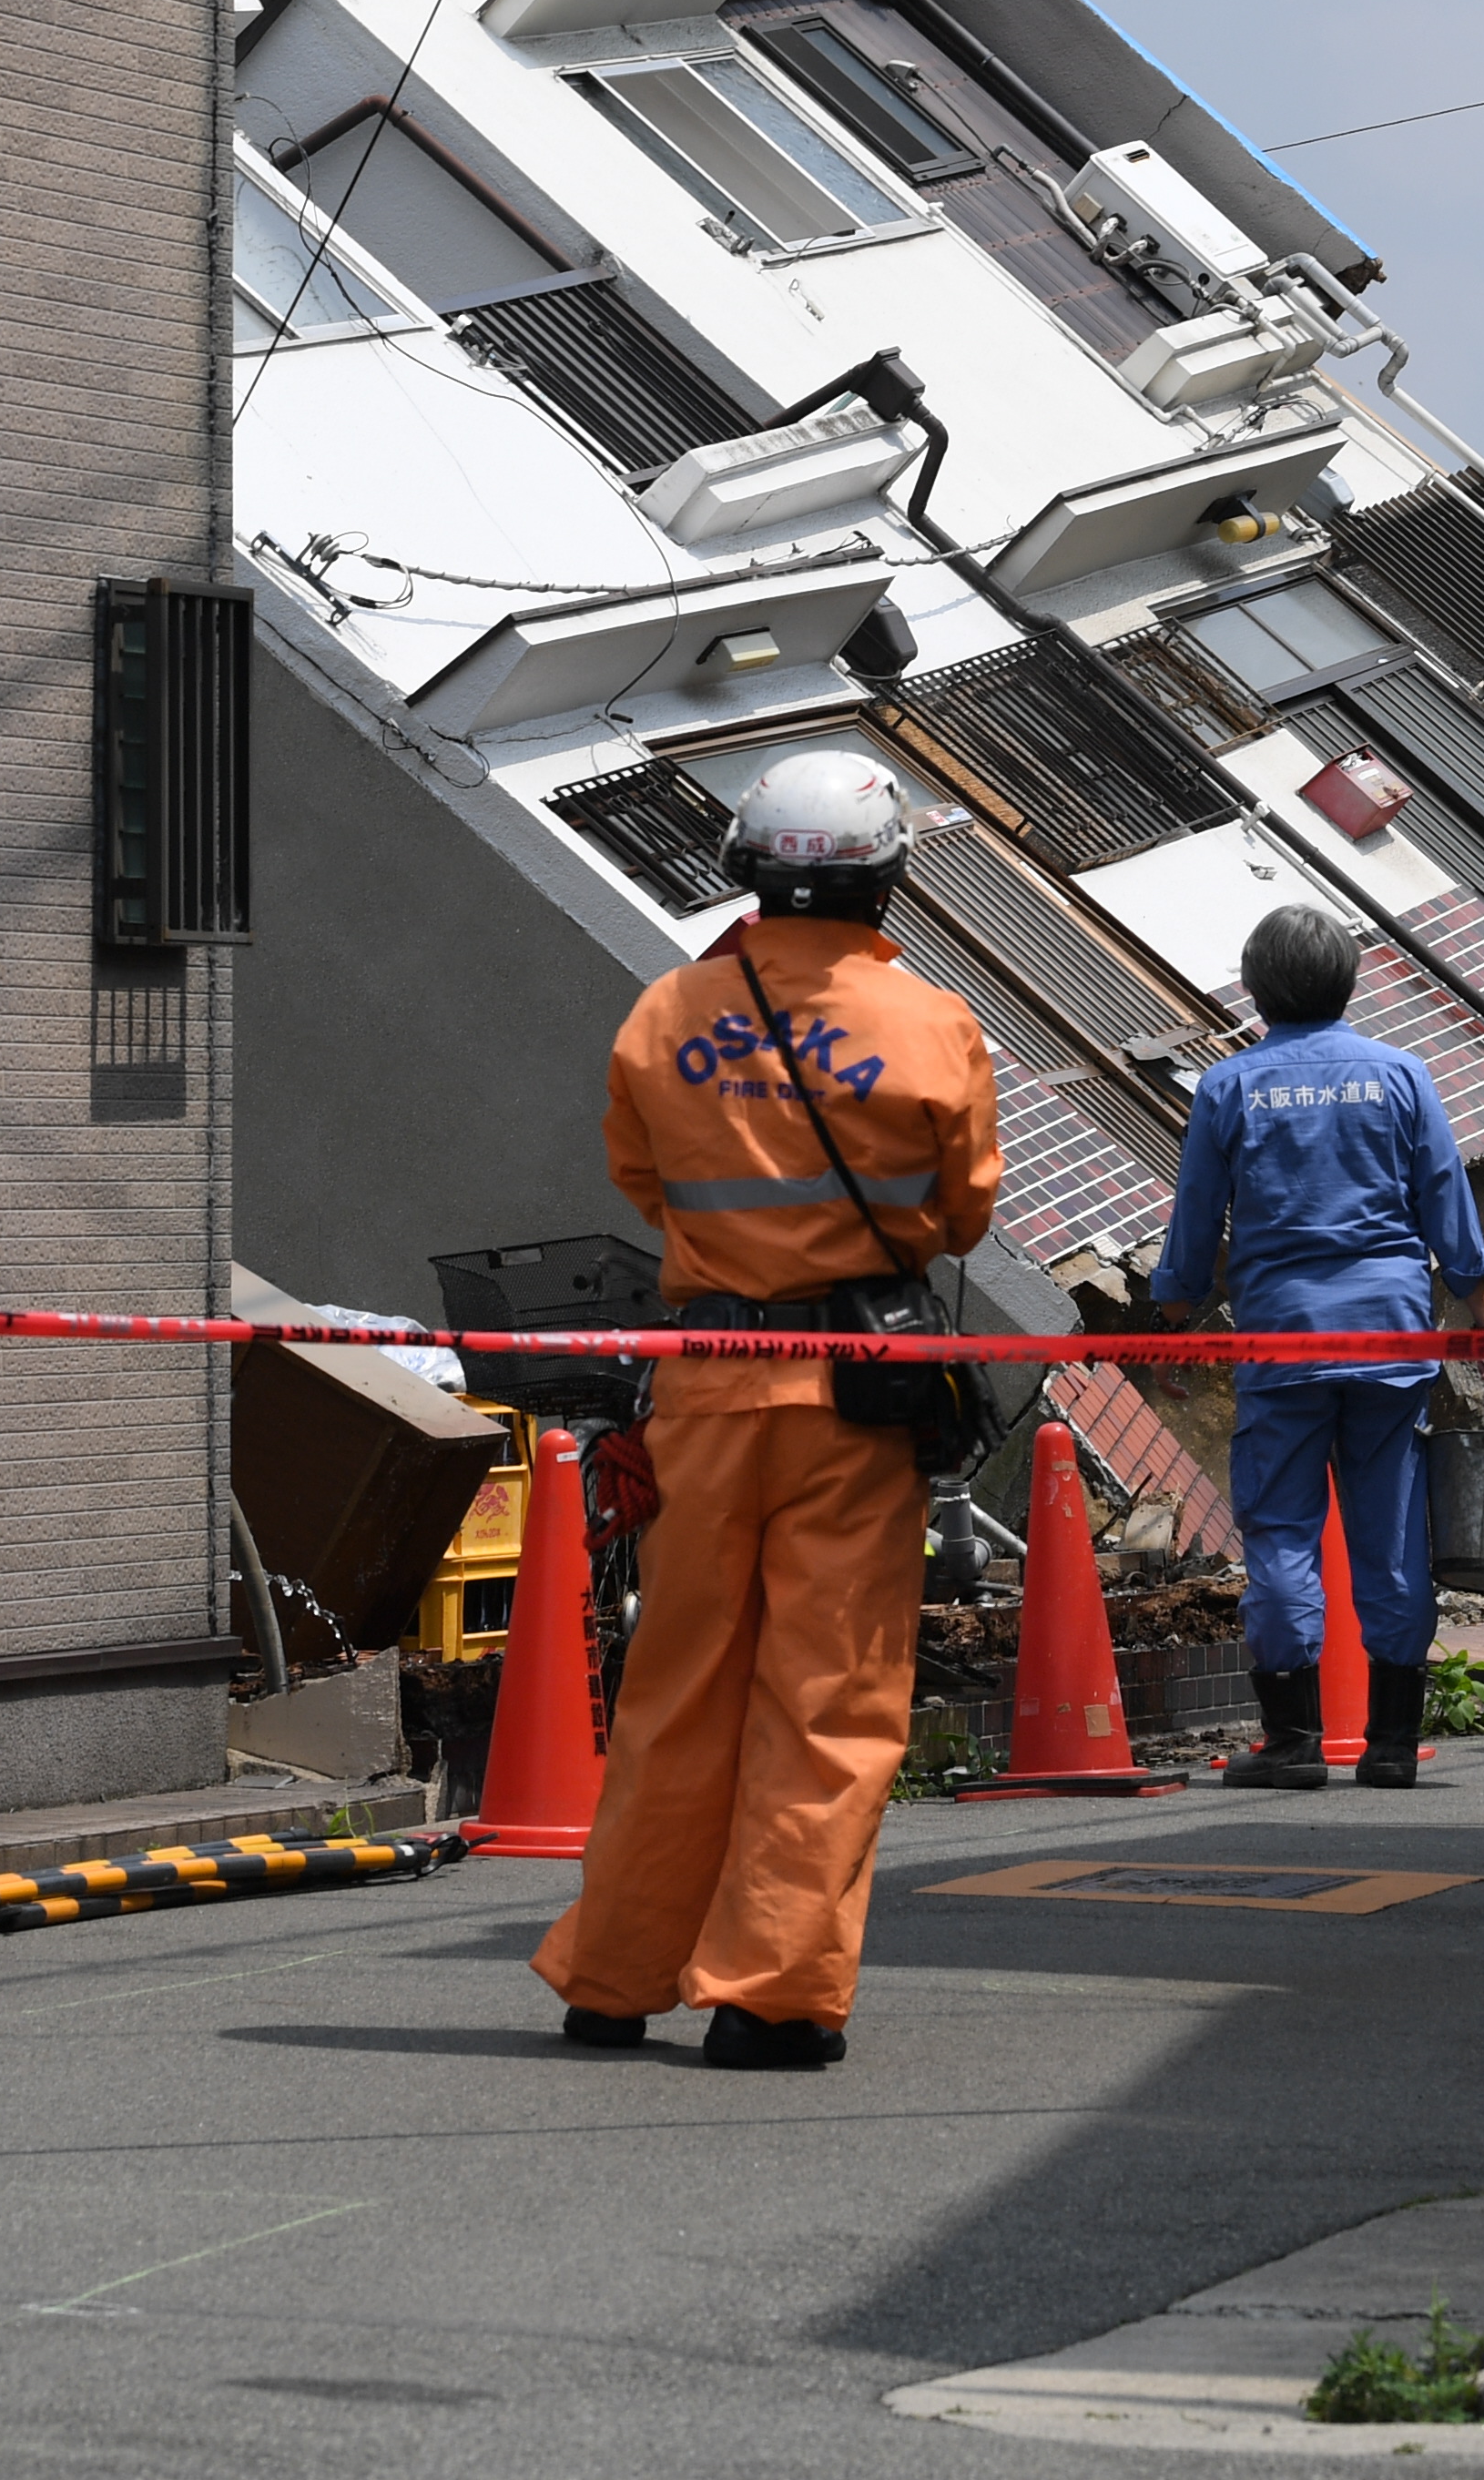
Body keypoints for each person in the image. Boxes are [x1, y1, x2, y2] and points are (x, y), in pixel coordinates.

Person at [536, 747, 998, 2070]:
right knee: (829, 1697)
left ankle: (613, 1979)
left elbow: (645, 1180)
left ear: (745, 867)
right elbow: (963, 1209)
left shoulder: (666, 1011)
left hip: (701, 1389)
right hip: (852, 1401)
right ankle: (770, 1995)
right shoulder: (933, 1026)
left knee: (676, 1687)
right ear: (888, 874)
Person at [1152, 904, 1484, 1791]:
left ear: (1258, 987)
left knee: (1280, 1534)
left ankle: (1294, 1738)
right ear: (1349, 981)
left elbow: (1195, 1220)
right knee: (1389, 1538)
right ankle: (1388, 1744)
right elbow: (1442, 1193)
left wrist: (1175, 1310)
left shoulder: (1230, 1086)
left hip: (1283, 1345)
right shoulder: (1401, 1074)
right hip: (1391, 1338)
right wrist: (1480, 1294)